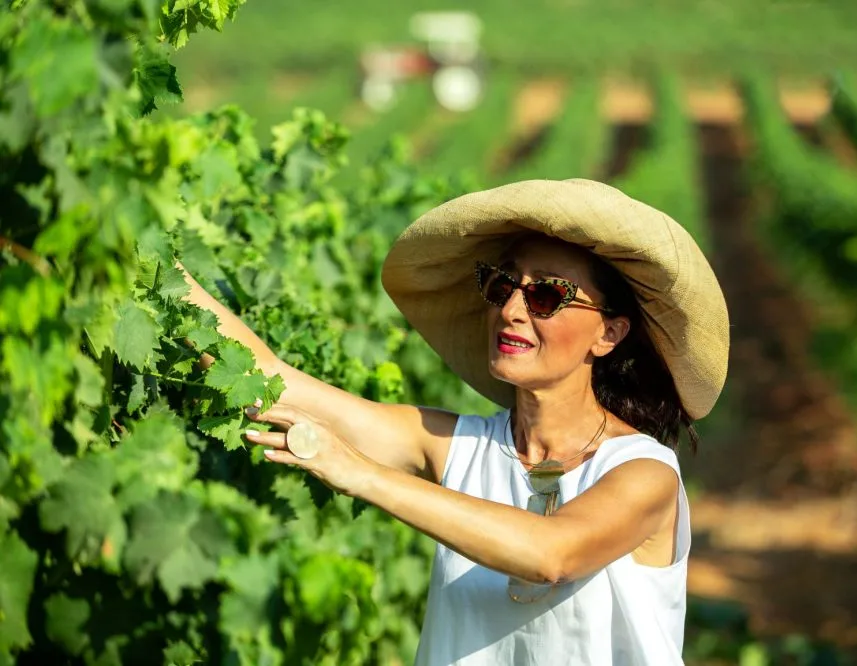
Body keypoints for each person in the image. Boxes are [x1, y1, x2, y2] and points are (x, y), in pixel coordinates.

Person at [180, 178, 729, 665]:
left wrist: (359, 473)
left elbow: (552, 555)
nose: (511, 308)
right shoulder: (459, 446)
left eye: (545, 295)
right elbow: (270, 379)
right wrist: (148, 267)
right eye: (502, 284)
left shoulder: (645, 473)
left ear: (609, 334)